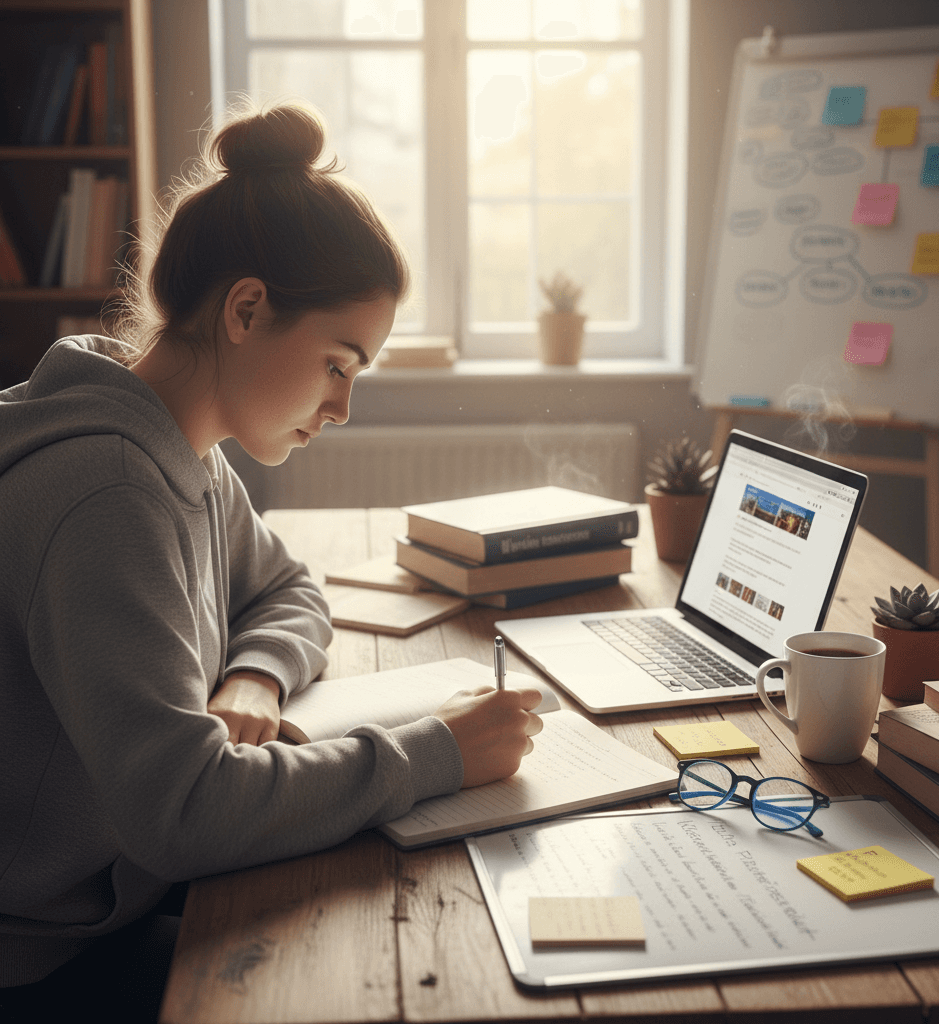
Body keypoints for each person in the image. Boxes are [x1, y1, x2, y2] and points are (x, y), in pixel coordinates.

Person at [0, 103, 543, 1018]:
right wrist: (438, 753)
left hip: (113, 895)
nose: (341, 409)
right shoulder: (111, 490)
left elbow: (288, 588)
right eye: (339, 363)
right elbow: (184, 811)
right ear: (246, 309)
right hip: (44, 958)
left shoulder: (179, 448)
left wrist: (253, 674)